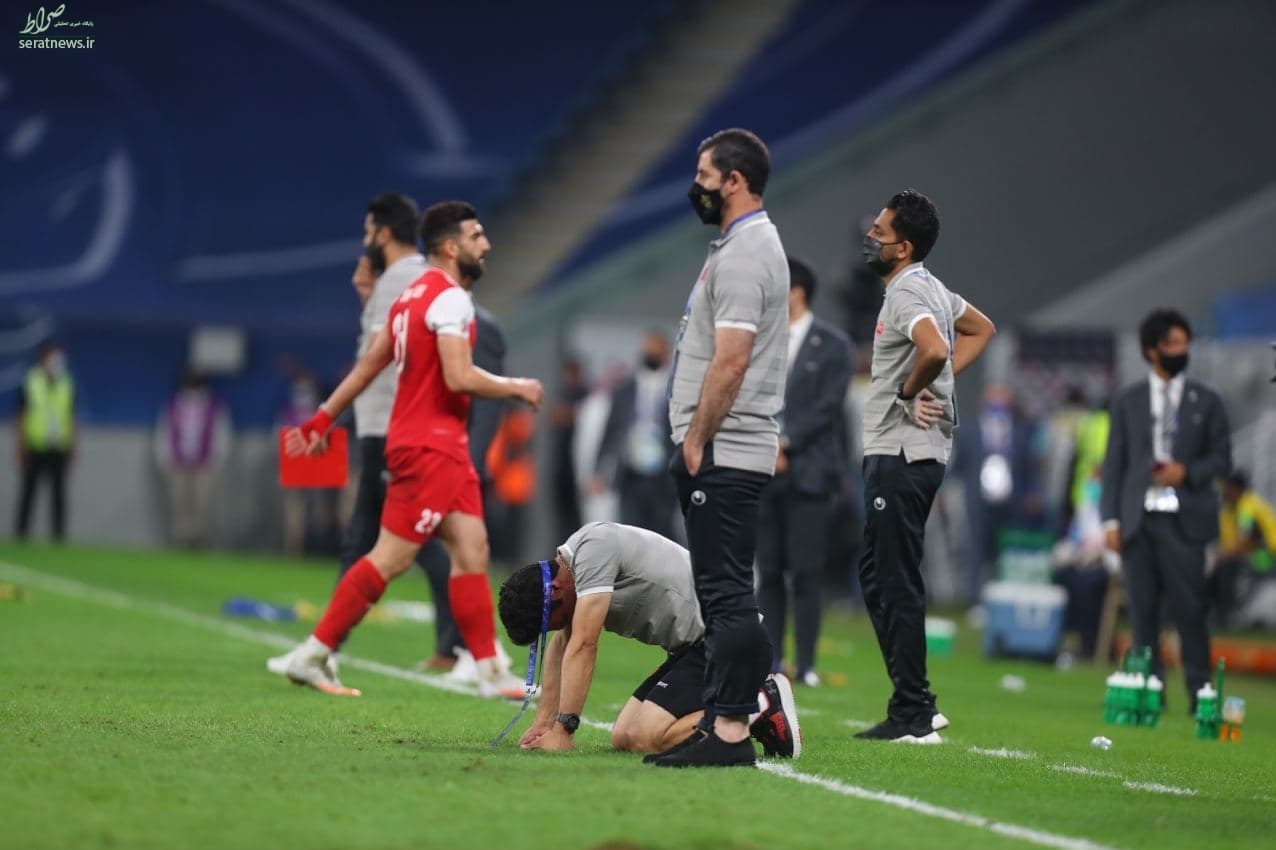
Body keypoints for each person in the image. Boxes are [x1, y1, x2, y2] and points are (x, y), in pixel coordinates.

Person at [268, 200, 543, 698]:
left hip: (438, 447)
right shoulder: (450, 300)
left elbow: (368, 364)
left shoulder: (409, 297)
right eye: (477, 236)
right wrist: (515, 386)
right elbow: (458, 376)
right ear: (451, 247)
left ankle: (488, 670)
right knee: (390, 558)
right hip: (429, 448)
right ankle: (312, 654)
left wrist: (324, 418)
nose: (486, 244)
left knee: (472, 549)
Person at [649, 128, 787, 768]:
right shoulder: (743, 245)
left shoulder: (745, 252)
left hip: (724, 450)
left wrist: (697, 439)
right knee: (723, 594)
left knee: (728, 596)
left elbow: (731, 360)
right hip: (728, 448)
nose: (696, 186)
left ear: (734, 180)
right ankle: (722, 721)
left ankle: (732, 730)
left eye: (704, 175)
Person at [854, 189, 996, 744]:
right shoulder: (932, 286)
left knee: (894, 579)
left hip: (901, 452)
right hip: (911, 453)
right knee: (877, 576)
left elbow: (934, 349)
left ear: (904, 246)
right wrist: (941, 382)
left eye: (880, 232)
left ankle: (914, 711)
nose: (871, 239)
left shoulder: (909, 290)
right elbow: (982, 329)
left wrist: (912, 391)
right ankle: (910, 702)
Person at [497, 521, 800, 760]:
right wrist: (544, 723)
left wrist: (564, 730)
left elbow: (583, 644)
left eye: (555, 621)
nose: (562, 627)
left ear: (554, 590)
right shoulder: (574, 566)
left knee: (645, 738)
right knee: (624, 737)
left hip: (731, 637)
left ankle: (757, 703)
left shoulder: (593, 550)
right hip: (695, 647)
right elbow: (562, 644)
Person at [1101, 308, 1231, 711]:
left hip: (1185, 521)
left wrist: (1186, 472)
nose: (1182, 351)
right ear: (1152, 350)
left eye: (1186, 343)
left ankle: (1200, 694)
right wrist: (1110, 520)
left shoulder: (1207, 401)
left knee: (1191, 610)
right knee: (1142, 612)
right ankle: (1149, 693)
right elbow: (1114, 465)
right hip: (1138, 520)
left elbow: (1222, 460)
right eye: (1174, 344)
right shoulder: (1128, 402)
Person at [756, 256, 854, 687]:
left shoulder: (833, 345)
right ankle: (771, 660)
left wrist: (786, 442)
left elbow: (828, 406)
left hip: (810, 475)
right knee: (769, 571)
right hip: (765, 472)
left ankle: (807, 662)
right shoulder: (761, 341)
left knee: (806, 572)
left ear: (796, 292)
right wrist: (767, 444)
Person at [417, 302, 507, 673]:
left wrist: (471, 460)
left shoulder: (478, 325)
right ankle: (457, 646)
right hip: (435, 455)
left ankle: (466, 646)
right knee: (433, 549)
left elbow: (487, 404)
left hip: (459, 462)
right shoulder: (439, 318)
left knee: (457, 552)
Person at [591, 330, 678, 539]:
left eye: (655, 350)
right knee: (630, 532)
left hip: (663, 477)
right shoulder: (625, 390)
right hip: (631, 474)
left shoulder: (676, 390)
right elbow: (610, 431)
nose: (650, 354)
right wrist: (598, 470)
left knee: (661, 534)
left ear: (666, 353)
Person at [154, 369, 232, 549]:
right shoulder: (173, 406)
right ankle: (182, 539)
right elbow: (163, 433)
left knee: (203, 503)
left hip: (204, 464)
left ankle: (201, 539)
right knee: (179, 503)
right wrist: (164, 459)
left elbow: (221, 435)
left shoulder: (213, 407)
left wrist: (217, 460)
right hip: (178, 463)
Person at [14, 341, 76, 541]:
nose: (56, 361)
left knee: (58, 494)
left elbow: (70, 416)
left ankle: (58, 536)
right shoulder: (31, 381)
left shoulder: (66, 383)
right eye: (52, 356)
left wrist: (73, 444)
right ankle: (21, 534)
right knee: (29, 493)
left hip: (58, 446)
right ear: (42, 358)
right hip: (35, 445)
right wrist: (21, 445)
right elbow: (21, 416)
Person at [1210, 471, 1276, 628]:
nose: (1223, 492)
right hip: (1248, 555)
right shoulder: (1228, 510)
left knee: (1231, 567)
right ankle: (1218, 615)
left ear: (1236, 489)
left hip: (1268, 556)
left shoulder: (1247, 506)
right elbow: (1227, 542)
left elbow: (1245, 543)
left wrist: (1222, 557)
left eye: (1227, 488)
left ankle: (1231, 615)